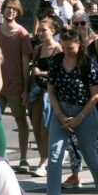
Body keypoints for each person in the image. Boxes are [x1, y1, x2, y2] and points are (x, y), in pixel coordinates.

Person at [37, 29, 98, 195]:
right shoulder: (56, 60)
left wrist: (78, 118)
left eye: (70, 47)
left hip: (84, 111)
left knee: (90, 154)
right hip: (61, 110)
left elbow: (95, 95)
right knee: (54, 156)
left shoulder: (88, 62)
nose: (66, 50)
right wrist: (59, 114)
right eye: (63, 46)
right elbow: (51, 90)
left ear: (79, 44)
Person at [0, 0, 33, 171]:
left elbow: (26, 64)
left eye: (14, 9)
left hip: (15, 85)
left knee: (20, 120)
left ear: (18, 12)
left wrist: (25, 88)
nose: (10, 11)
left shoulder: (22, 34)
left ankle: (24, 158)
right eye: (8, 8)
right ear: (2, 10)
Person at [28, 16, 62, 178]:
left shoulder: (58, 49)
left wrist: (41, 73)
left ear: (53, 31)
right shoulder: (37, 50)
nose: (40, 33)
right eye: (39, 30)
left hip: (50, 93)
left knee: (45, 127)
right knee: (35, 125)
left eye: (44, 30)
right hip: (35, 91)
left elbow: (60, 73)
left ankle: (44, 160)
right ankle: (43, 157)